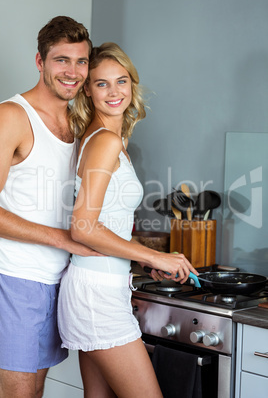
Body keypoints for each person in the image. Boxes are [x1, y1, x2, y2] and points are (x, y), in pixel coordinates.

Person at [58, 42, 199, 398]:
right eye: (101, 83)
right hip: (97, 293)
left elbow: (105, 223)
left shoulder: (101, 138)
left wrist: (135, 256)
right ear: (87, 90)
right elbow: (84, 225)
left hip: (98, 284)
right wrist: (155, 255)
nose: (114, 91)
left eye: (121, 80)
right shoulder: (104, 141)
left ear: (132, 84)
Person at [0, 16, 101, 398]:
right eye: (62, 60)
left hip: (60, 280)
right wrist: (63, 239)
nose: (73, 72)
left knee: (38, 390)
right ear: (40, 62)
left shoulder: (79, 122)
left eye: (81, 61)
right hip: (16, 278)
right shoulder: (11, 116)